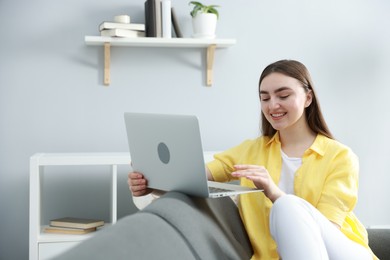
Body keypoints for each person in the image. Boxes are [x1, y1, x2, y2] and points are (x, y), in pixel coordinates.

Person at [128, 60, 377, 260]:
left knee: (286, 206)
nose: (273, 105)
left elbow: (328, 230)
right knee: (285, 206)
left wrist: (275, 193)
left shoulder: (340, 156)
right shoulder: (249, 151)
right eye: (265, 97)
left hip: (341, 251)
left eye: (283, 95)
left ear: (308, 98)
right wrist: (155, 182)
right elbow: (195, 176)